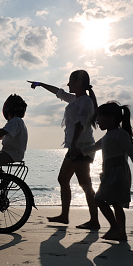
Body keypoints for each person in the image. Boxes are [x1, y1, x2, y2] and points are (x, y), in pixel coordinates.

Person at [28, 70, 99, 229]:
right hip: (75, 146)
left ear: (79, 82)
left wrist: (74, 145)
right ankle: (64, 216)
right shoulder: (75, 99)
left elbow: (80, 124)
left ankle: (94, 221)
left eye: (70, 81)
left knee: (85, 183)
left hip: (82, 147)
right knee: (63, 179)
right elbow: (58, 92)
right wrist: (40, 84)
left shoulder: (85, 101)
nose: (68, 84)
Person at [80, 101, 133, 241]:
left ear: (111, 118)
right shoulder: (107, 136)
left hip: (119, 173)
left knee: (100, 199)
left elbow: (132, 152)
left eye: (100, 117)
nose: (97, 120)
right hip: (109, 173)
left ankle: (115, 228)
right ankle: (120, 232)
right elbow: (93, 147)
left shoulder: (120, 134)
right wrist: (78, 152)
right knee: (115, 204)